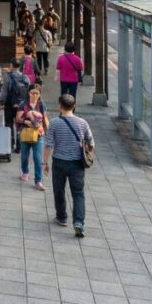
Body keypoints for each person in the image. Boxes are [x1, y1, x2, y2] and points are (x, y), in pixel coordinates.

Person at [43, 94, 95, 237]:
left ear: (60, 106)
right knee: (78, 193)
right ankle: (78, 222)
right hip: (77, 164)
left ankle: (61, 216)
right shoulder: (83, 123)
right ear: (74, 106)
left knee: (59, 190)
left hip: (59, 161)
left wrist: (44, 162)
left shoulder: (54, 123)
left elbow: (48, 145)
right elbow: (91, 144)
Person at [17, 85, 48, 190]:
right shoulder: (23, 104)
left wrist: (47, 129)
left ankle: (38, 181)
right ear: (28, 93)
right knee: (24, 156)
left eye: (36, 93)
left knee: (37, 157)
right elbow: (18, 118)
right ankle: (25, 171)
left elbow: (45, 119)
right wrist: (26, 121)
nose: (34, 95)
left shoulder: (42, 105)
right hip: (25, 132)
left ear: (39, 95)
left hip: (38, 135)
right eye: (32, 93)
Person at [0, 58, 29, 153]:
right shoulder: (25, 77)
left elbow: (4, 91)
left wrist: (1, 101)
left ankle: (10, 143)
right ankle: (19, 147)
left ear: (12, 65)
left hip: (9, 104)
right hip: (21, 105)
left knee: (9, 123)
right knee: (20, 125)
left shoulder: (8, 77)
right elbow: (29, 89)